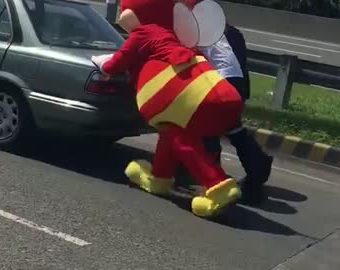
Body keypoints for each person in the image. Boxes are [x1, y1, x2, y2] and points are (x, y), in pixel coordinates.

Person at [92, 0, 244, 218]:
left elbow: (118, 61)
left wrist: (104, 66)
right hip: (218, 91)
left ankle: (220, 187)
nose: (119, 15)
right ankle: (160, 178)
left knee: (182, 140)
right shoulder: (175, 34)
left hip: (193, 96)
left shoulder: (145, 31)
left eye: (124, 9)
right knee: (170, 132)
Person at [198, 21, 273, 205]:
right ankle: (257, 171)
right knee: (234, 130)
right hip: (236, 86)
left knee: (208, 133)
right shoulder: (231, 31)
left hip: (216, 84)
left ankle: (216, 184)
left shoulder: (195, 31)